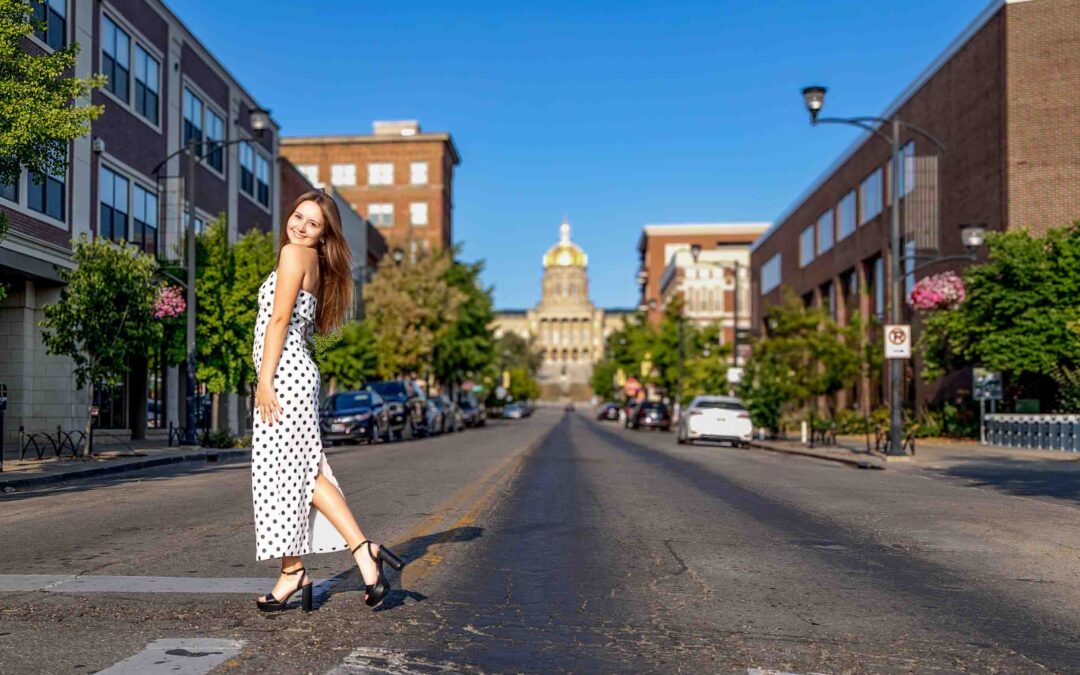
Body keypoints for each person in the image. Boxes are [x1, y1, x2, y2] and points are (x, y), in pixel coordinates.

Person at [250, 189, 403, 612]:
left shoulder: (293, 255)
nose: (299, 226)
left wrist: (264, 380)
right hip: (296, 372)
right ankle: (307, 567)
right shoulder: (315, 264)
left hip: (283, 374)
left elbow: (279, 319)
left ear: (322, 234)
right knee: (300, 474)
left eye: (312, 223)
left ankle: (339, 557)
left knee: (286, 476)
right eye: (298, 216)